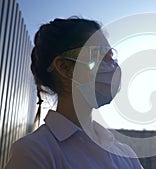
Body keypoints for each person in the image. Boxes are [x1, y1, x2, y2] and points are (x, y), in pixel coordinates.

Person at [4, 17, 143, 169]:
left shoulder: (125, 154)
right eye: (99, 54)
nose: (112, 67)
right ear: (64, 67)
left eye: (112, 57)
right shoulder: (34, 152)